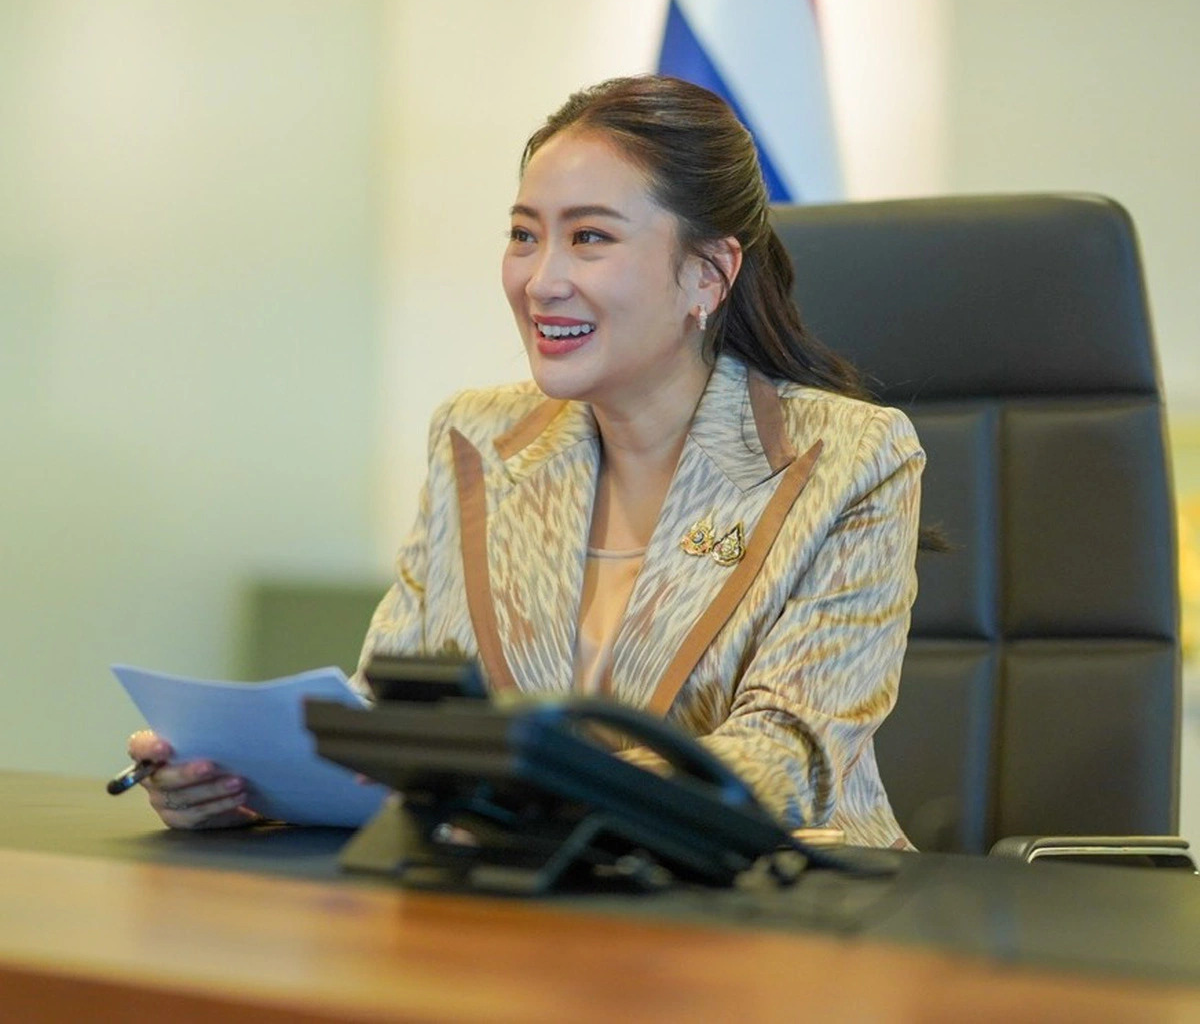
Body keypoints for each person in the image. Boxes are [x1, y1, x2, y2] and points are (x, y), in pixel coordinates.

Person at [129, 75, 924, 848]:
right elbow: (393, 709)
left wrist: (534, 787)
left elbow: (792, 756)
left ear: (708, 274)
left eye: (589, 238)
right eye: (523, 235)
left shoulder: (852, 458)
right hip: (515, 907)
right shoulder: (475, 438)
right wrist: (243, 781)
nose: (541, 282)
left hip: (771, 920)